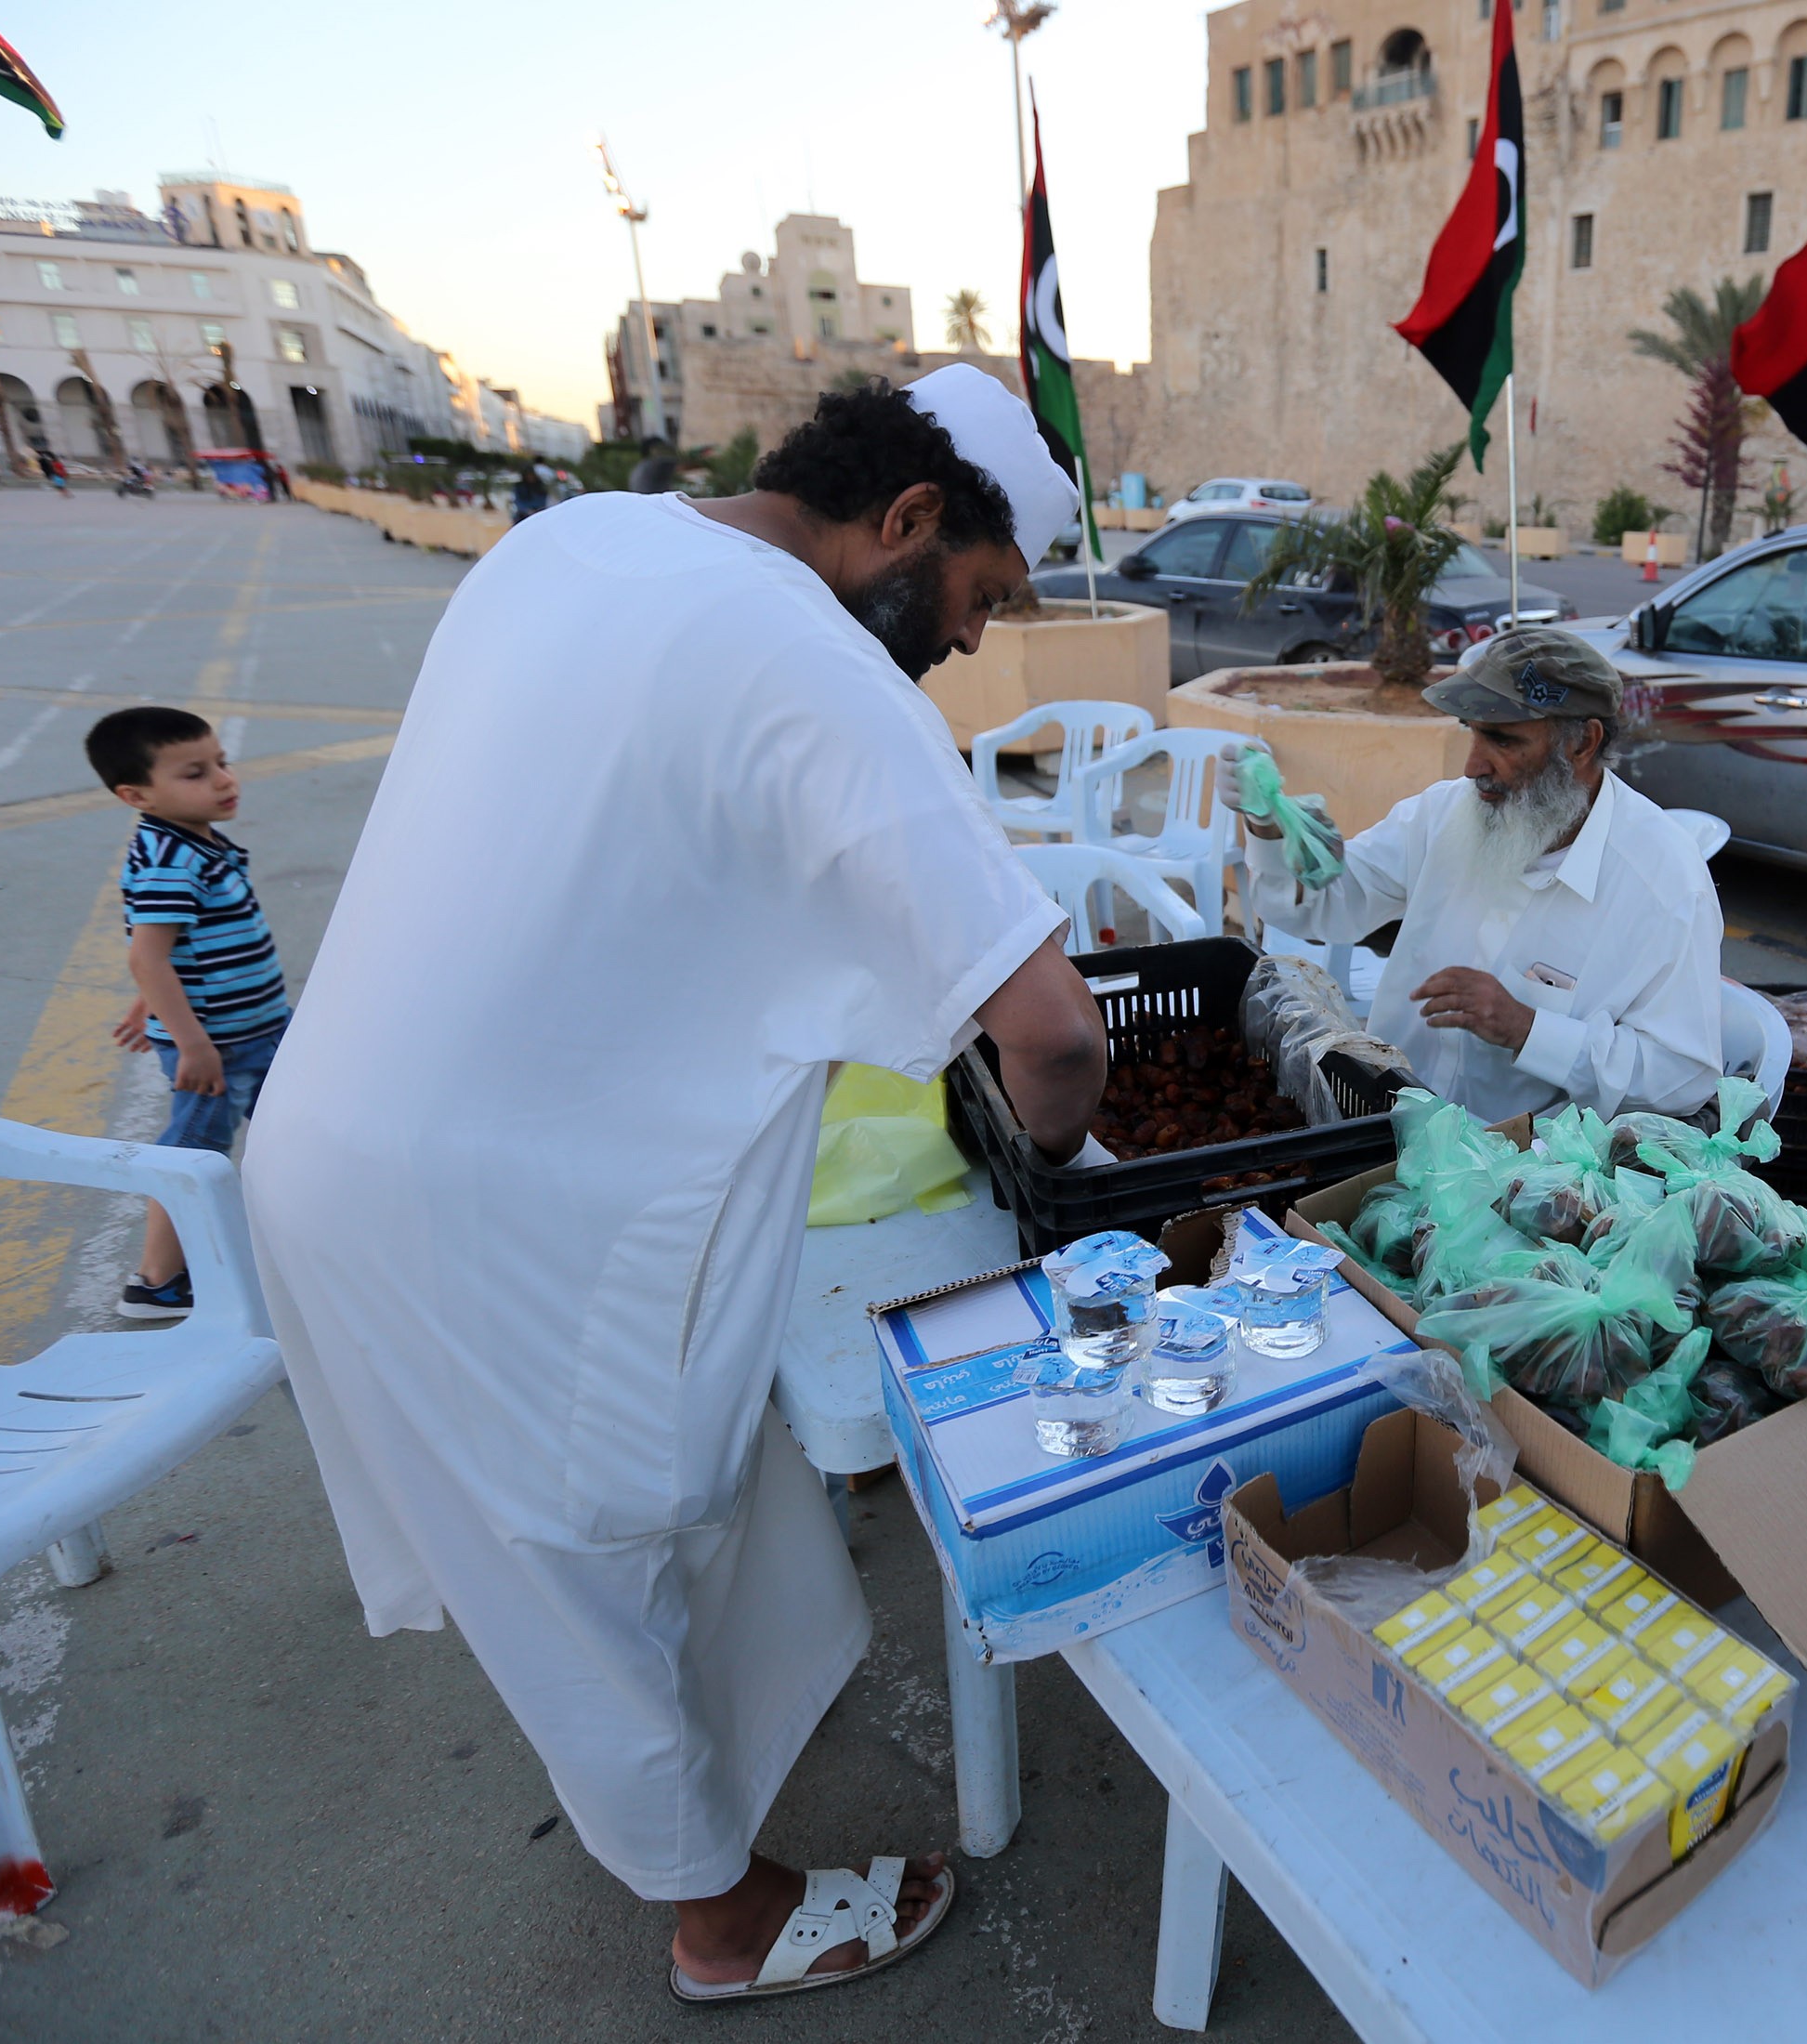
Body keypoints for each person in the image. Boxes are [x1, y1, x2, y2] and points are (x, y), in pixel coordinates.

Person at [242, 368, 1106, 2003]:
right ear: (907, 522)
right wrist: (1057, 1176)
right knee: (598, 1561)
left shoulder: (574, 545)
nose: (975, 643)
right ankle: (723, 1923)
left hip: (348, 1136)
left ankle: (736, 1766)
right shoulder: (816, 664)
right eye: (981, 598)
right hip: (481, 1215)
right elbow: (1052, 1044)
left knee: (700, 1501)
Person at [1229, 625, 1724, 1120]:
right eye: (1471, 730)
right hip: (1384, 1115)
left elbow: (1681, 1078)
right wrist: (1270, 824)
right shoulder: (1445, 812)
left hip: (1516, 1168)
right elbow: (1322, 907)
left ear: (1582, 744)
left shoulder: (1664, 883)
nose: (1471, 766)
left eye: (1502, 740)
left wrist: (1529, 1029)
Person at [85, 706, 288, 1320]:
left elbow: (172, 951)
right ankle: (156, 1282)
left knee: (290, 1125)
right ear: (136, 794)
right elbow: (148, 956)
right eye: (196, 773)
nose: (224, 780)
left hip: (259, 1025)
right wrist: (190, 1041)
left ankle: (298, 1238)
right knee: (190, 1156)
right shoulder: (174, 860)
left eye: (222, 763)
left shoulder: (192, 839)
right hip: (221, 1045)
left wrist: (157, 999)